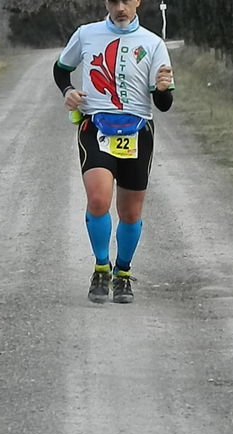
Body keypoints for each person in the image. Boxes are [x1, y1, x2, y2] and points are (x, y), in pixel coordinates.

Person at [53, 0, 175, 304]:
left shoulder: (153, 43)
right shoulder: (86, 34)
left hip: (138, 130)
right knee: (98, 199)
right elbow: (61, 69)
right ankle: (101, 267)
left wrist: (161, 90)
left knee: (130, 213)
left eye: (126, 0)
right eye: (113, 1)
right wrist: (68, 91)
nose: (120, 7)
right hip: (95, 125)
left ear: (138, 2)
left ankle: (123, 273)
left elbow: (163, 104)